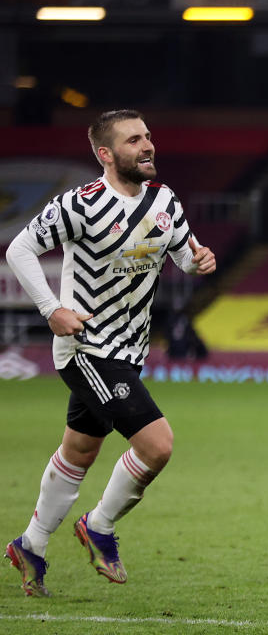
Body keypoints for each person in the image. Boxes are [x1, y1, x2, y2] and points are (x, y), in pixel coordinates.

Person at [3, 110, 216, 596]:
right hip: (86, 348)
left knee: (79, 450)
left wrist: (200, 259)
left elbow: (184, 253)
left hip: (129, 349)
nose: (147, 146)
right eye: (133, 140)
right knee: (157, 445)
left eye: (148, 136)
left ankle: (30, 546)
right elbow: (19, 249)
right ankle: (97, 526)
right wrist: (52, 308)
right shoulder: (80, 205)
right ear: (106, 154)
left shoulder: (165, 201)